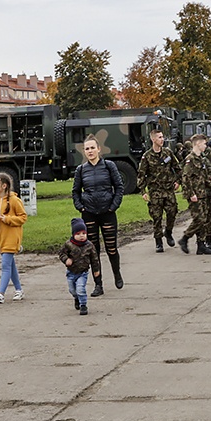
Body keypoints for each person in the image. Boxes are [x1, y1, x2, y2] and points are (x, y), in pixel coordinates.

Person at [72, 134, 125, 295]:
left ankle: (117, 274)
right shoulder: (81, 170)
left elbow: (119, 187)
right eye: (87, 149)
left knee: (111, 248)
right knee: (93, 251)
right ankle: (98, 284)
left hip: (107, 213)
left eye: (92, 148)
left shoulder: (109, 166)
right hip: (89, 214)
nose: (90, 151)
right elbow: (75, 191)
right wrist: (81, 207)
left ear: (99, 149)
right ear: (84, 151)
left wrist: (112, 207)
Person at [0, 172, 27, 303]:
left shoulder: (14, 200)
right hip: (0, 240)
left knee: (5, 266)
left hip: (11, 238)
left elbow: (22, 217)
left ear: (4, 186)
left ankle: (0, 293)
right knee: (10, 265)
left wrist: (7, 219)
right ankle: (19, 290)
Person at [137, 129, 181, 253]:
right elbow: (141, 174)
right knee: (157, 217)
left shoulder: (168, 153)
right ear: (153, 139)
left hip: (168, 189)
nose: (162, 139)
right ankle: (158, 241)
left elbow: (177, 168)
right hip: (155, 191)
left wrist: (178, 181)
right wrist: (143, 191)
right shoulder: (147, 156)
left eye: (162, 137)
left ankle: (168, 232)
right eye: (160, 137)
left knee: (172, 212)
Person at [178, 133, 211, 255]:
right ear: (198, 144)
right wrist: (190, 194)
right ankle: (185, 238)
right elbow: (185, 178)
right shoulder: (190, 159)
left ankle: (201, 245)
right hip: (194, 195)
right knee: (199, 219)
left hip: (202, 193)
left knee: (203, 220)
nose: (206, 146)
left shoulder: (202, 159)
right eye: (204, 143)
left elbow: (204, 178)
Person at [59, 217, 101, 315]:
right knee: (72, 290)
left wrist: (96, 270)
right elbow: (61, 253)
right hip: (71, 272)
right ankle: (76, 298)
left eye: (83, 233)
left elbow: (94, 258)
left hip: (83, 272)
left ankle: (83, 305)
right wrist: (66, 260)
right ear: (73, 234)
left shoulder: (89, 245)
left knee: (80, 288)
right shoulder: (68, 244)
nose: (81, 236)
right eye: (78, 234)